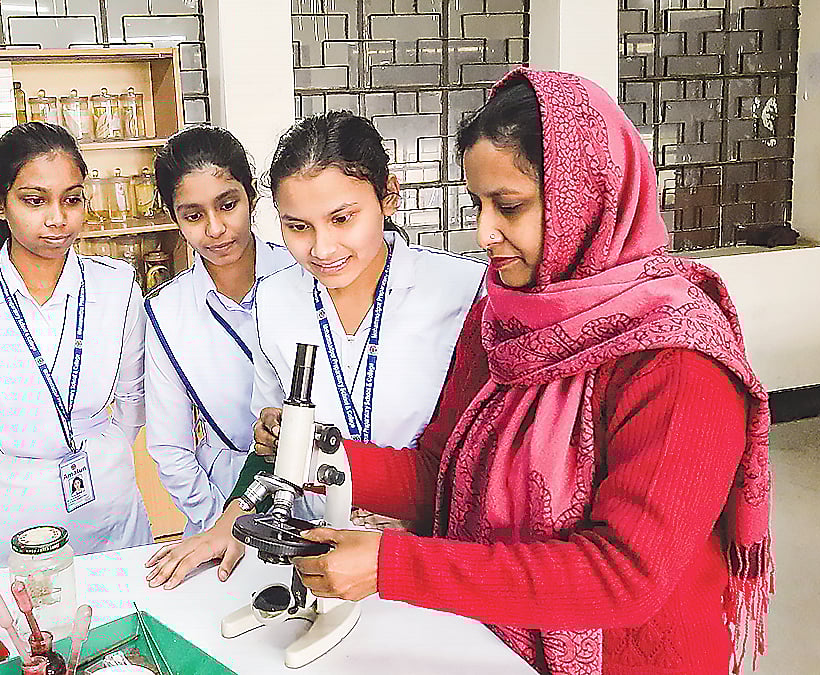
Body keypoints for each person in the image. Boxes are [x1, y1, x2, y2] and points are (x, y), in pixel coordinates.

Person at [281, 70, 773, 674]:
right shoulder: (503, 316)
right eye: (478, 204)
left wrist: (392, 565)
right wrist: (316, 455)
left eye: (509, 206)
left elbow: (626, 575)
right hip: (493, 641)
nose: (484, 232)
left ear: (586, 197)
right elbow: (443, 472)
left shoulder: (677, 360)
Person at [145, 111, 486, 589]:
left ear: (389, 196)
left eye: (342, 219)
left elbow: (480, 461)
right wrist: (233, 516)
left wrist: (420, 518)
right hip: (309, 545)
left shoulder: (463, 292)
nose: (323, 249)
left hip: (418, 552)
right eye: (298, 227)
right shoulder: (275, 299)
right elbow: (271, 444)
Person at [0, 122, 151, 566]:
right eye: (35, 200)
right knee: (5, 612)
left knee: (117, 609)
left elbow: (134, 396)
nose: (57, 219)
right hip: (0, 522)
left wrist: (105, 450)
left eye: (71, 199)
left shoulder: (117, 288)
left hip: (106, 513)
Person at [142, 126, 295, 536]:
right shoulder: (166, 311)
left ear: (252, 197)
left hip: (311, 487)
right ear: (174, 218)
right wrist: (219, 523)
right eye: (193, 215)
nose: (215, 229)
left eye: (228, 205)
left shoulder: (303, 276)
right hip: (219, 492)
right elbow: (170, 447)